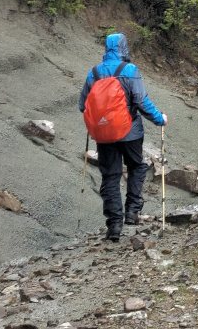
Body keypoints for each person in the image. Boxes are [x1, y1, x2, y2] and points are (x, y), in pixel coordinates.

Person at [79, 33, 165, 242]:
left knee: (110, 176)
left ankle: (114, 226)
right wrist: (159, 119)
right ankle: (132, 211)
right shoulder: (130, 71)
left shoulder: (94, 73)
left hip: (104, 134)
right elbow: (142, 102)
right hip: (130, 133)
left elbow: (82, 105)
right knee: (137, 166)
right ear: (124, 48)